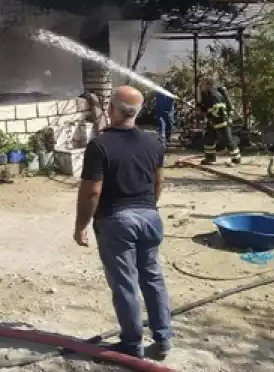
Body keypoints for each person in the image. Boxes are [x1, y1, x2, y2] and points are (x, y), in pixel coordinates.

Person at [74, 86, 173, 360]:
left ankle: (132, 343)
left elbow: (92, 191)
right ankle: (163, 338)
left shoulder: (99, 146)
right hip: (150, 217)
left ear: (112, 110)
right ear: (138, 112)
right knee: (153, 278)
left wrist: (81, 225)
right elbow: (158, 182)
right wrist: (149, 207)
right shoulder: (154, 143)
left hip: (117, 221)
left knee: (125, 283)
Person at [197, 78, 241, 165]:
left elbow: (217, 108)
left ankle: (236, 160)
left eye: (202, 84)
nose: (200, 86)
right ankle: (210, 158)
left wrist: (205, 112)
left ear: (208, 85)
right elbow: (203, 105)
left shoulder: (214, 95)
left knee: (228, 140)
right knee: (209, 140)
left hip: (222, 121)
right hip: (212, 121)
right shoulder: (206, 94)